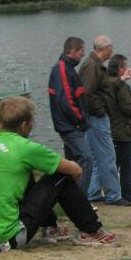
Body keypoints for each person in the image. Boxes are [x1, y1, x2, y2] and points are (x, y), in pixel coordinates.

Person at [0, 97, 118, 252]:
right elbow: (76, 170)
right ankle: (92, 230)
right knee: (61, 177)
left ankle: (50, 227)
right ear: (24, 125)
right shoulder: (25, 148)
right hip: (5, 239)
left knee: (22, 173)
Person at [79, 36, 129, 206]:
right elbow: (87, 93)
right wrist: (100, 110)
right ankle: (113, 195)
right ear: (106, 49)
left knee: (96, 156)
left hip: (93, 117)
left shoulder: (94, 65)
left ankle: (93, 192)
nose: (112, 51)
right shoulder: (92, 66)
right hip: (97, 118)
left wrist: (121, 80)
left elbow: (103, 88)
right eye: (111, 48)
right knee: (108, 156)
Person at [47, 36, 93, 193]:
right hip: (70, 126)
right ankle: (81, 200)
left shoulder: (68, 68)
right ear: (73, 51)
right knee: (86, 159)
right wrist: (81, 119)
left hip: (71, 125)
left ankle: (69, 197)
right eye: (81, 51)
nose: (83, 54)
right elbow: (66, 100)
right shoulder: (62, 69)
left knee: (72, 164)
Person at [107, 53, 131, 206]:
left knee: (114, 163)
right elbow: (127, 108)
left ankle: (111, 192)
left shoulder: (107, 83)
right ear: (120, 69)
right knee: (128, 166)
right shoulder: (123, 87)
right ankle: (128, 196)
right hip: (124, 130)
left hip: (113, 128)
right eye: (125, 66)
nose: (128, 68)